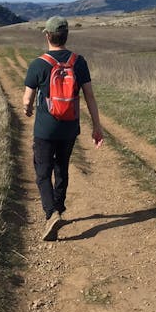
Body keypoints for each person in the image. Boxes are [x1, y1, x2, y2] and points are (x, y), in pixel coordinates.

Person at [23, 16, 104, 241]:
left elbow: (27, 99)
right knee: (62, 168)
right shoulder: (79, 62)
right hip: (69, 128)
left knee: (42, 172)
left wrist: (27, 109)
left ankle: (52, 213)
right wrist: (97, 126)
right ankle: (59, 207)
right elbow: (90, 96)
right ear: (66, 36)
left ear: (48, 36)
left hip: (45, 130)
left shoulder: (38, 64)